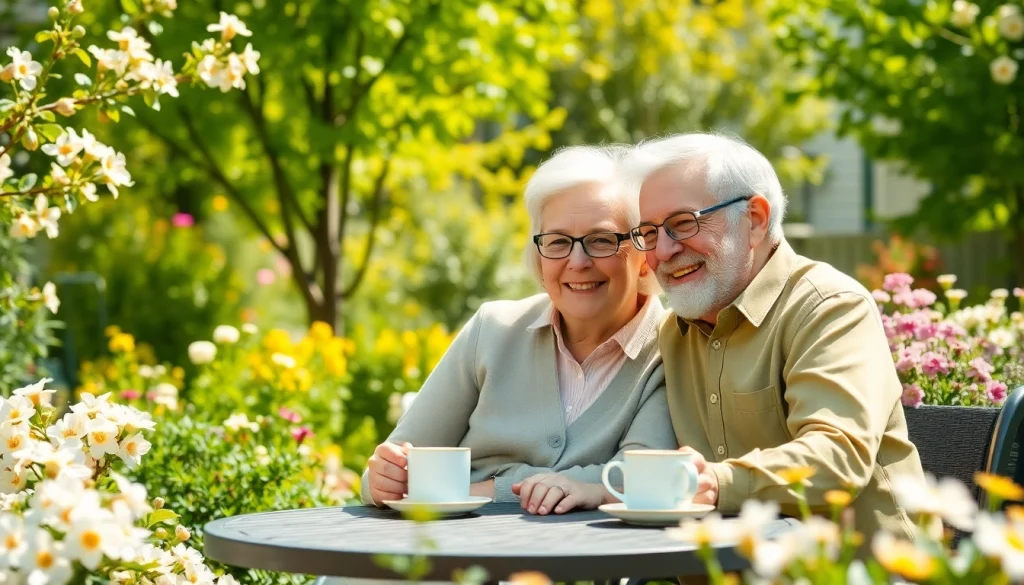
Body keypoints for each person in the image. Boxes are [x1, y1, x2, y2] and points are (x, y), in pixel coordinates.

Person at [618, 131, 931, 540]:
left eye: (682, 223)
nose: (661, 251)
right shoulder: (673, 332)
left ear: (755, 220)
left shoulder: (828, 306)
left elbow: (838, 458)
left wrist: (716, 482)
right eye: (649, 232)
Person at [361, 145, 677, 516]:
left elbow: (639, 476)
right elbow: (396, 465)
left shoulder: (672, 347)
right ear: (539, 258)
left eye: (602, 240)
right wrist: (384, 478)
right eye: (558, 242)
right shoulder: (492, 330)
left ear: (644, 256)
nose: (578, 262)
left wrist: (478, 489)